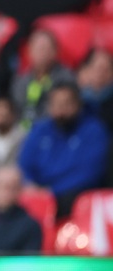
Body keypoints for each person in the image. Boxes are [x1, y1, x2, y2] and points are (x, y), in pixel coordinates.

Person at [18, 81, 109, 216]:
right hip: (40, 195)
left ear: (78, 104)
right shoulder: (40, 129)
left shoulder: (94, 131)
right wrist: (30, 185)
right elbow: (24, 164)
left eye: (67, 104)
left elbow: (89, 173)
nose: (61, 109)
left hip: (74, 197)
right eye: (56, 104)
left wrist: (51, 191)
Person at [11, 28, 75, 125]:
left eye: (45, 48)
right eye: (38, 48)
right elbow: (16, 108)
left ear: (55, 52)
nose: (42, 53)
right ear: (29, 52)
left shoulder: (66, 78)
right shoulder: (21, 80)